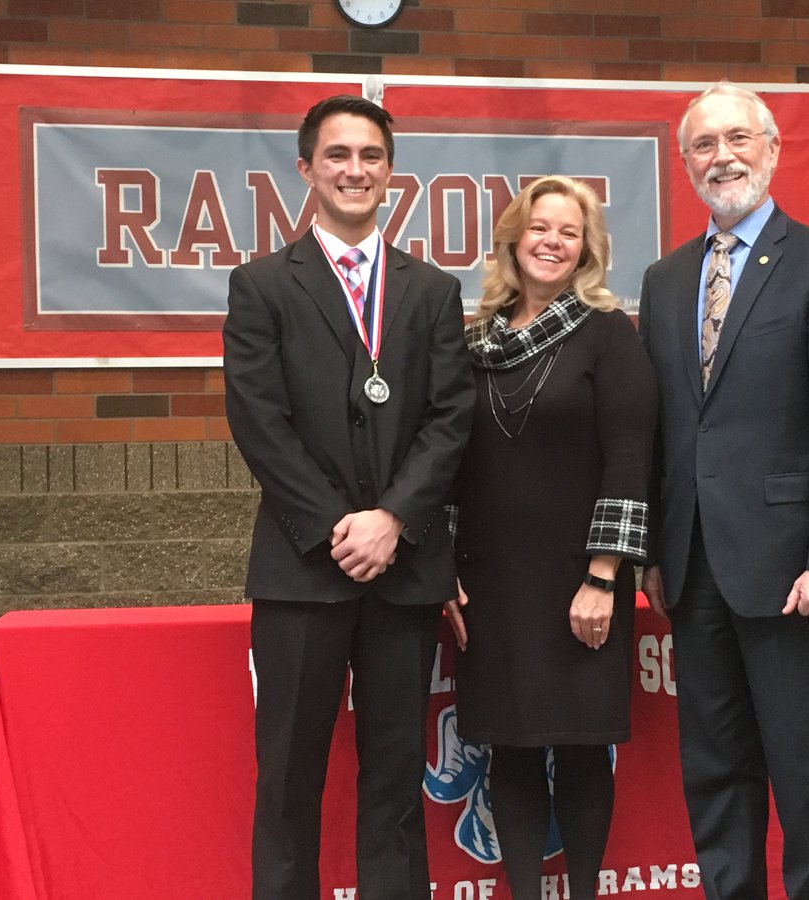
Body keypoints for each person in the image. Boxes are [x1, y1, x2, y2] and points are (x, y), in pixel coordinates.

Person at [637, 83, 809, 899]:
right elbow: (666, 429)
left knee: (805, 776)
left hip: (791, 572)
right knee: (715, 771)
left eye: (738, 139)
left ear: (773, 150)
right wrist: (653, 552)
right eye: (704, 145)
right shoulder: (665, 280)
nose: (723, 158)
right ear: (685, 164)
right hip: (693, 568)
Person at [223, 95, 474, 900]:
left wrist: (393, 519)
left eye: (371, 156)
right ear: (306, 169)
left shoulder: (431, 290)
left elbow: (450, 418)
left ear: (390, 173)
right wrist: (342, 527)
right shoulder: (262, 286)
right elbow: (259, 422)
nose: (355, 170)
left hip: (404, 571)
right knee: (288, 777)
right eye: (338, 155)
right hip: (303, 570)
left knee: (395, 776)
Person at [445, 176, 657, 900]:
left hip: (579, 582)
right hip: (491, 583)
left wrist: (603, 577)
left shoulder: (608, 334)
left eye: (569, 232)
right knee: (510, 747)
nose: (552, 242)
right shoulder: (471, 342)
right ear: (514, 239)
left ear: (587, 250)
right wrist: (444, 567)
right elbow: (448, 463)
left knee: (579, 746)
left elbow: (629, 459)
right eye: (540, 228)